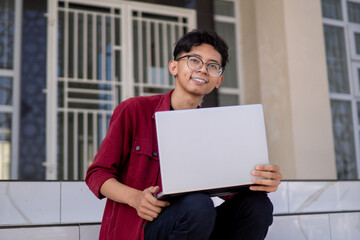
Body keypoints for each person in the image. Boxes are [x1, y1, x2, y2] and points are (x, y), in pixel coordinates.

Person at [85, 29, 282, 240]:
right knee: (198, 205)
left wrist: (261, 181)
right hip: (138, 230)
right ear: (174, 67)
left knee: (257, 205)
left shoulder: (216, 129)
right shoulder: (133, 110)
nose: (203, 70)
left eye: (212, 66)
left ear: (218, 80)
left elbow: (230, 190)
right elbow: (97, 174)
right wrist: (135, 198)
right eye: (194, 60)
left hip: (190, 223)